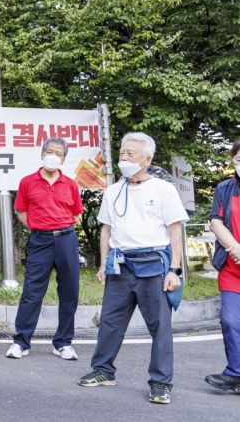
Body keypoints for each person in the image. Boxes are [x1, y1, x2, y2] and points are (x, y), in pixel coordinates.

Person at [77, 132, 187, 404]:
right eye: (122, 152)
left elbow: (175, 231)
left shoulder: (163, 189)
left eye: (130, 153)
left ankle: (160, 383)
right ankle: (103, 370)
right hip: (121, 265)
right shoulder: (113, 191)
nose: (124, 157)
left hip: (154, 265)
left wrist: (175, 270)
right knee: (110, 322)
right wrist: (103, 263)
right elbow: (106, 230)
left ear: (147, 159)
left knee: (159, 326)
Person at [6, 138, 83, 360]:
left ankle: (63, 342)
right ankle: (21, 342)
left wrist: (59, 227)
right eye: (49, 151)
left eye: (58, 153)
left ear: (64, 158)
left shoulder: (70, 184)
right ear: (41, 154)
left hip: (66, 240)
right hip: (40, 242)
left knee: (69, 292)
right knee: (32, 292)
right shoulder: (27, 182)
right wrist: (40, 226)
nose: (53, 155)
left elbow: (77, 215)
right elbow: (21, 212)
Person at [205, 137, 240, 393]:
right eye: (239, 159)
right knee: (230, 322)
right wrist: (235, 248)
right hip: (233, 268)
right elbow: (216, 221)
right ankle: (236, 373)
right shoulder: (224, 188)